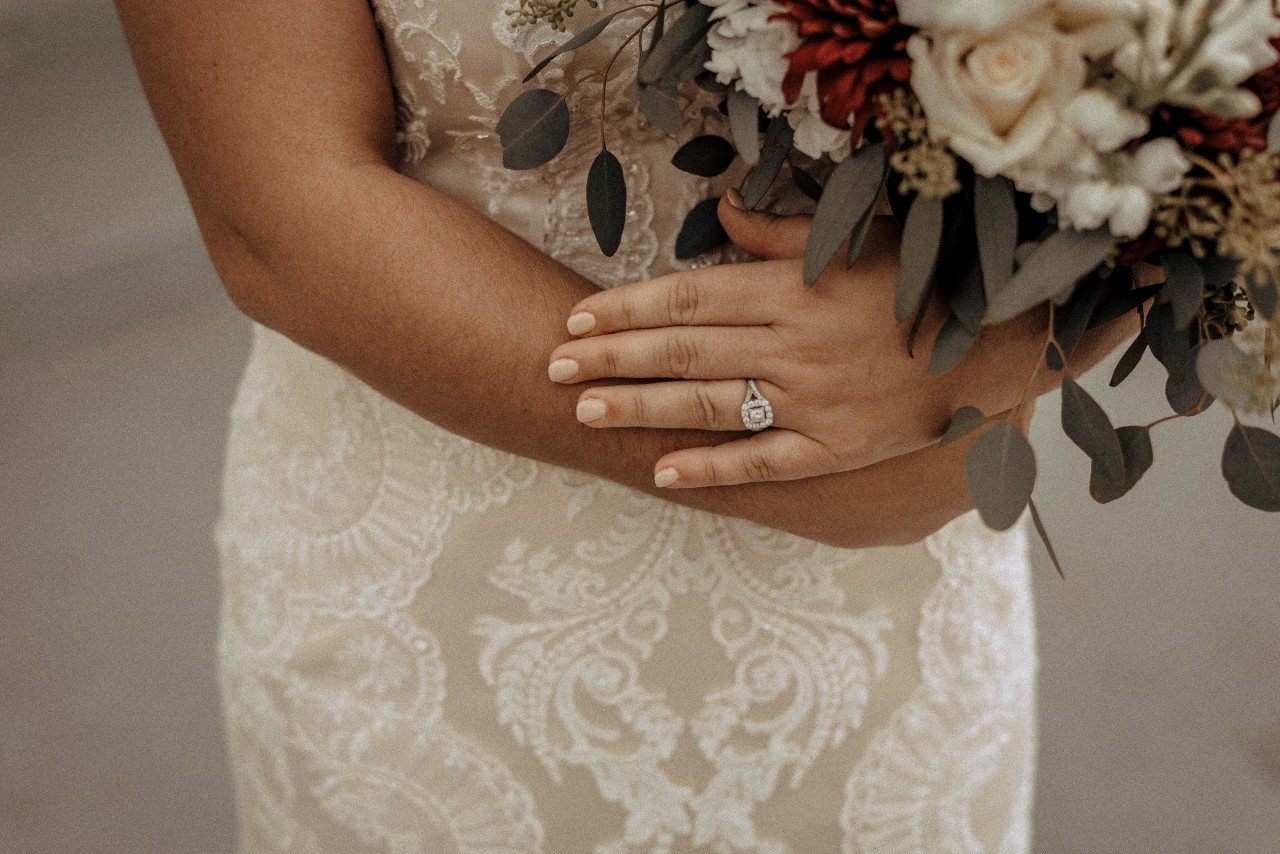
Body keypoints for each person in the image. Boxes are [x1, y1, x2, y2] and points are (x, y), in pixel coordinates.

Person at [115, 1, 1134, 850]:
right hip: (436, 610)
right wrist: (773, 439)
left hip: (892, 626)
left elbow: (1211, 105)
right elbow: (278, 203)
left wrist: (1011, 341)